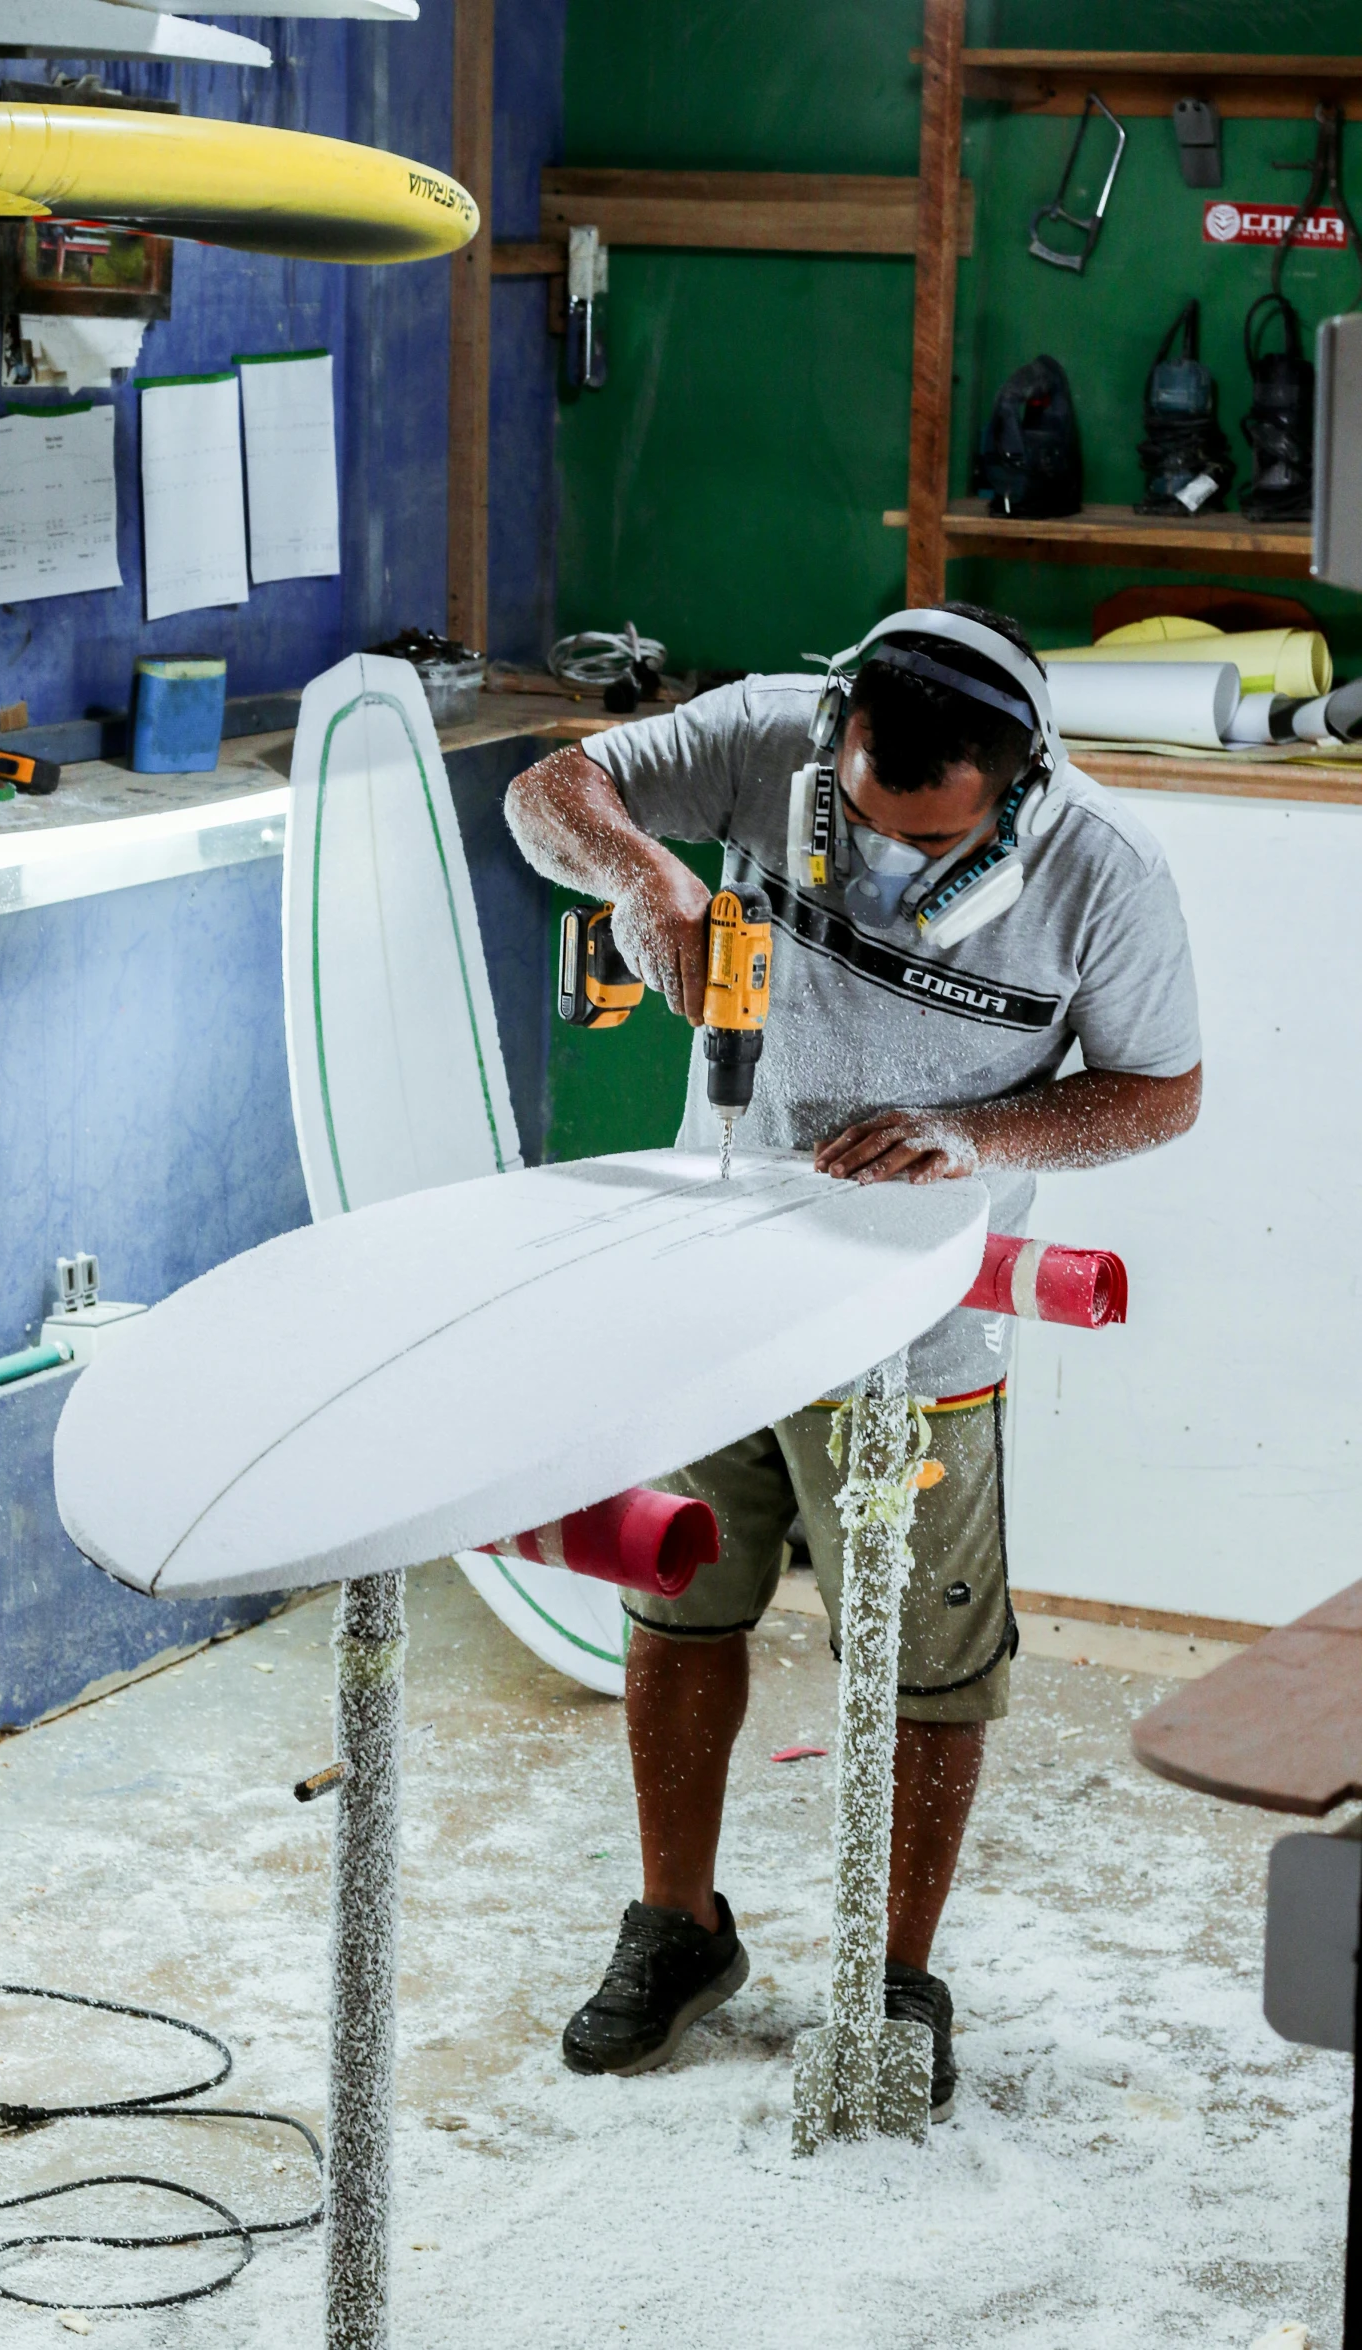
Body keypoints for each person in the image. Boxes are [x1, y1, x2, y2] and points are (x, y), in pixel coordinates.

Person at [504, 603, 1202, 2115]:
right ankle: (677, 1928)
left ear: (1016, 787)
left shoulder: (1102, 877)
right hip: (725, 1276)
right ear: (839, 741)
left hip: (924, 1320)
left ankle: (893, 1971)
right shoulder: (765, 730)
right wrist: (645, 877)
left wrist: (981, 1136)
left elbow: (1159, 1094)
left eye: (935, 845)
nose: (892, 872)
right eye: (873, 827)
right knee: (681, 1601)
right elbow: (544, 789)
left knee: (928, 1665)